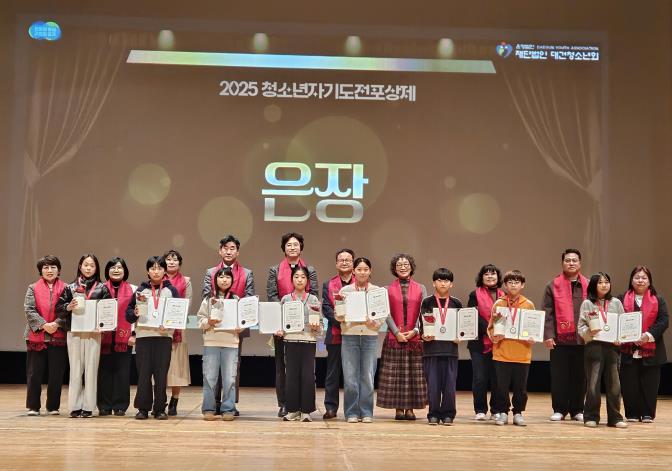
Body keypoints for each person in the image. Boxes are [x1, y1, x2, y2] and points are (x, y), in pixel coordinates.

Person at [266, 232, 318, 417]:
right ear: (284, 248)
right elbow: (272, 295)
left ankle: (303, 405)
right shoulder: (274, 270)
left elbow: (314, 296)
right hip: (282, 326)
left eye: (296, 244)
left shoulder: (310, 270)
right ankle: (284, 403)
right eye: (289, 244)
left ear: (301, 247)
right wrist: (285, 317)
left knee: (305, 370)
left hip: (305, 328)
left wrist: (303, 317)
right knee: (281, 366)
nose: (293, 247)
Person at [202, 235, 255, 416]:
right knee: (212, 370)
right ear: (220, 250)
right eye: (225, 248)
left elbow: (249, 300)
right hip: (214, 328)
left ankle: (230, 405)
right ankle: (213, 403)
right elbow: (206, 296)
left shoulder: (246, 273)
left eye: (232, 248)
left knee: (232, 369)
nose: (228, 251)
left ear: (237, 252)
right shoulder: (210, 272)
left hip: (235, 329)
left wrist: (242, 321)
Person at [56, 254, 111, 418]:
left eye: (92, 265)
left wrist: (103, 327)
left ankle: (88, 407)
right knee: (75, 370)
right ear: (80, 267)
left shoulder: (102, 288)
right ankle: (74, 406)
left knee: (91, 370)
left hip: (94, 333)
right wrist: (68, 307)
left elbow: (108, 311)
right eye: (85, 265)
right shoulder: (70, 288)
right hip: (74, 332)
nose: (88, 268)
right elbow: (59, 309)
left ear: (96, 268)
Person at [126, 256, 179, 420]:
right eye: (153, 268)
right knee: (143, 374)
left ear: (164, 271)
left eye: (159, 268)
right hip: (143, 337)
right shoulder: (140, 291)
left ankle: (160, 408)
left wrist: (169, 325)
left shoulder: (172, 291)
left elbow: (178, 313)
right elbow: (128, 314)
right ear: (148, 271)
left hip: (163, 337)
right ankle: (143, 408)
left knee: (161, 375)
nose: (156, 271)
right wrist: (134, 313)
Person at [377, 253, 427, 420]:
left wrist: (416, 330)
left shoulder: (421, 288)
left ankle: (410, 409)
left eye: (406, 264)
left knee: (413, 375)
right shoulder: (386, 289)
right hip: (394, 338)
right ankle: (398, 409)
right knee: (395, 375)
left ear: (411, 267)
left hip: (414, 339)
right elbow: (385, 312)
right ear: (394, 269)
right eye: (399, 265)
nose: (403, 267)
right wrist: (396, 332)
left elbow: (424, 312)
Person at [335, 257, 384, 423]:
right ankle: (351, 412)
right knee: (350, 377)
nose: (362, 272)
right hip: (350, 335)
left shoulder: (377, 291)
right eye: (359, 269)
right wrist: (341, 316)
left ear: (370, 271)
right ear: (353, 271)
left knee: (368, 377)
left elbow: (383, 314)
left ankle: (366, 412)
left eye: (365, 269)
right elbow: (338, 315)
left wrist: (375, 323)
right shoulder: (345, 291)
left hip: (370, 336)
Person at [618, 266, 669, 423]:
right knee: (629, 383)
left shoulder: (658, 299)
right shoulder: (621, 299)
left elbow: (664, 320)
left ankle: (648, 413)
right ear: (631, 280)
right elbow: (616, 319)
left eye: (644, 278)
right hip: (628, 348)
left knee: (650, 383)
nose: (640, 280)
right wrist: (628, 335)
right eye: (637, 277)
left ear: (649, 281)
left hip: (652, 349)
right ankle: (632, 413)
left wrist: (648, 336)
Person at [577, 272, 627, 428]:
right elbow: (581, 326)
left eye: (606, 282)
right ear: (593, 285)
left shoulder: (616, 303)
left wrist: (621, 338)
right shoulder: (587, 303)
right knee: (593, 384)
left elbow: (623, 324)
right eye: (600, 282)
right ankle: (591, 416)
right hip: (594, 347)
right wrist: (589, 333)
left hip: (612, 348)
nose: (604, 285)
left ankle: (615, 418)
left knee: (614, 385)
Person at [543, 249, 588, 422]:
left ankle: (577, 409)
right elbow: (547, 312)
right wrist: (548, 335)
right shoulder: (552, 285)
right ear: (562, 263)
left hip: (582, 339)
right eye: (567, 260)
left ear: (580, 263)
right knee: (559, 376)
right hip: (559, 339)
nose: (571, 263)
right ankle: (559, 409)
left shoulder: (589, 284)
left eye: (574, 260)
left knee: (580, 376)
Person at [487, 270, 535, 426]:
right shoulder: (499, 304)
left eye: (516, 282)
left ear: (522, 285)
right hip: (502, 353)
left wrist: (532, 337)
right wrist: (494, 336)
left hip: (522, 353)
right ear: (505, 285)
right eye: (510, 282)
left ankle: (518, 413)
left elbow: (533, 327)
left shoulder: (528, 304)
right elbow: (490, 327)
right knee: (501, 387)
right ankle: (502, 412)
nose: (513, 285)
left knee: (521, 388)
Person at [24, 255, 68, 416]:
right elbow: (29, 310)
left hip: (58, 335)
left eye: (53, 267)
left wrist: (56, 324)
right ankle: (33, 406)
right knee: (34, 373)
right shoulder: (32, 288)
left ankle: (53, 406)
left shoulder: (66, 288)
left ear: (59, 270)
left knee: (56, 374)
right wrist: (44, 325)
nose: (49, 270)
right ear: (41, 271)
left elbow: (67, 310)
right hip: (37, 336)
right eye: (46, 267)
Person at [418, 268, 462, 425]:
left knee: (450, 386)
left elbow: (461, 326)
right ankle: (434, 414)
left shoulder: (456, 303)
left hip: (450, 350)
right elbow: (422, 322)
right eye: (439, 280)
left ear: (451, 284)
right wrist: (423, 335)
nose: (443, 283)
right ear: (433, 283)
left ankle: (448, 414)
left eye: (446, 280)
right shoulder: (427, 302)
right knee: (433, 386)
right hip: (431, 350)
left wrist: (460, 336)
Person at [278, 266, 323, 422]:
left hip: (308, 340)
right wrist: (280, 330)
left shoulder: (313, 299)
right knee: (291, 375)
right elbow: (280, 322)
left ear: (307, 281)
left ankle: (306, 411)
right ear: (292, 280)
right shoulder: (286, 299)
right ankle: (292, 410)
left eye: (303, 277)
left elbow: (320, 323)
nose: (299, 280)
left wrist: (316, 327)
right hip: (290, 340)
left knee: (307, 376)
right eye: (296, 276)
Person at [197, 267, 241, 421]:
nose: (224, 280)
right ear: (215, 280)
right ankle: (209, 409)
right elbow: (200, 320)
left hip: (231, 343)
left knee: (230, 379)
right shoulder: (208, 299)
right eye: (221, 277)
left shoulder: (236, 300)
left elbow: (243, 321)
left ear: (232, 280)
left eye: (227, 277)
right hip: (211, 342)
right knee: (209, 378)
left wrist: (241, 327)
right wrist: (209, 322)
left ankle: (228, 409)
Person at [98, 257, 136, 416]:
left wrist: (134, 334)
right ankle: (104, 405)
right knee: (104, 373)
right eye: (112, 267)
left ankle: (120, 405)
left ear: (125, 271)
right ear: (107, 270)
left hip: (124, 338)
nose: (116, 270)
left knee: (122, 373)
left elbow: (137, 314)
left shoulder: (133, 289)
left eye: (119, 267)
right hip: (103, 338)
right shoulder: (99, 288)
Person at [467, 264, 504, 421]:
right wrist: (491, 330)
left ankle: (496, 409)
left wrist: (497, 333)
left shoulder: (505, 296)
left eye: (493, 274)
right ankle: (480, 410)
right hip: (479, 343)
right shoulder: (474, 294)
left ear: (498, 277)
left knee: (498, 378)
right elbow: (473, 316)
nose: (490, 276)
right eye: (486, 274)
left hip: (501, 342)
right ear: (481, 277)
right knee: (480, 378)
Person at [321, 249, 355, 420]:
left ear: (353, 263)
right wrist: (339, 322)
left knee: (354, 374)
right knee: (332, 374)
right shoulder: (328, 284)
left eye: (348, 260)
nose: (344, 262)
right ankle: (330, 408)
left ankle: (353, 409)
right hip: (335, 335)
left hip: (356, 334)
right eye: (341, 260)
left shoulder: (360, 283)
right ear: (336, 264)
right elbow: (326, 308)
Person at [164, 249, 192, 416]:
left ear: (179, 263)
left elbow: (187, 304)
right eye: (168, 259)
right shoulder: (158, 278)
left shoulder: (186, 281)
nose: (171, 262)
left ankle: (174, 401)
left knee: (177, 367)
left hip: (178, 328)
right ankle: (160, 399)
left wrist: (173, 318)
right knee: (160, 365)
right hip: (160, 328)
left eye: (175, 260)